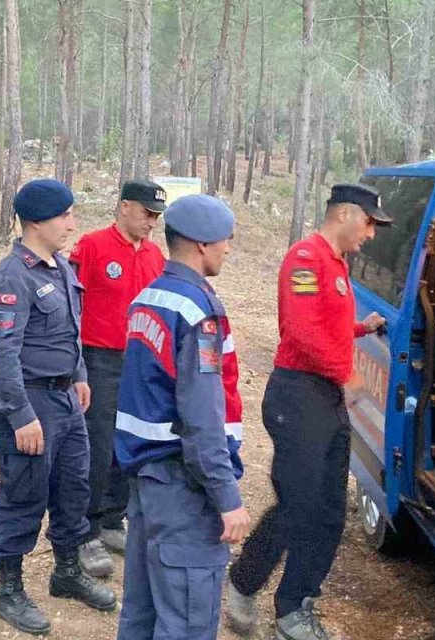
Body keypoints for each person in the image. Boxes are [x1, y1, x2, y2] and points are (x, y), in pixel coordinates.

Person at [226, 183, 392, 640]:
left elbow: (328, 324)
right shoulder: (306, 257)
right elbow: (301, 331)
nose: (372, 234)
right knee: (298, 504)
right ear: (344, 214)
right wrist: (346, 374)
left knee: (329, 511)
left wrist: (362, 327)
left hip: (327, 399)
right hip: (298, 396)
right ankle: (243, 583)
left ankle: (295, 605)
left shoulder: (338, 264)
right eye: (370, 222)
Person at [0, 178, 116, 635]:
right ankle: (9, 589)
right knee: (24, 495)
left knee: (72, 489)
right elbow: (2, 354)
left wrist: (78, 375)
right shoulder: (11, 276)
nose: (72, 225)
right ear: (36, 220)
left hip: (64, 400)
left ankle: (66, 571)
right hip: (30, 401)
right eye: (65, 216)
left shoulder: (58, 266)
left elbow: (68, 331)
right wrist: (21, 415)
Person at [114, 194, 250, 640]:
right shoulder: (197, 312)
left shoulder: (148, 298)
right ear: (201, 245)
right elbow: (202, 417)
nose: (229, 249)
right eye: (226, 240)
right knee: (187, 622)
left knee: (141, 613)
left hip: (146, 482)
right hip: (183, 490)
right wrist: (226, 496)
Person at [68, 179, 169, 578]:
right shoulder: (92, 246)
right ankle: (85, 530)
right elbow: (71, 307)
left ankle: (113, 518)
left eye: (157, 216)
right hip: (99, 359)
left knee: (129, 441)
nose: (152, 222)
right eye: (146, 213)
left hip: (141, 362)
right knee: (97, 442)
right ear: (125, 207)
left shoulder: (155, 256)